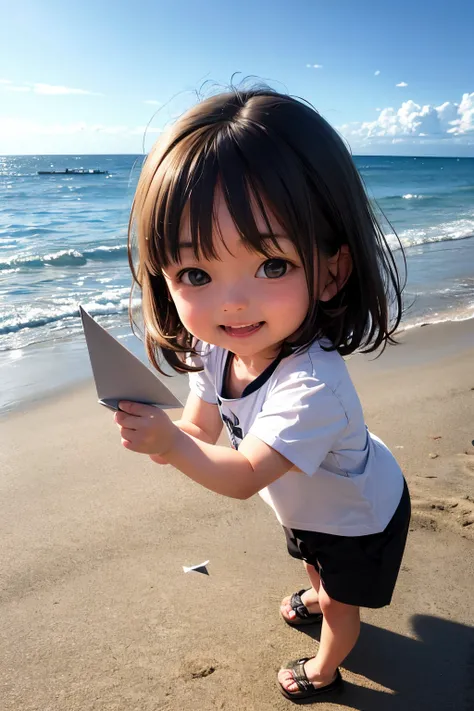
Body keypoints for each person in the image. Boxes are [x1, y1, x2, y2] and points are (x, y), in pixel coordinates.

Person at [113, 86, 411, 703]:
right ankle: (317, 585)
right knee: (309, 555)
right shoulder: (217, 349)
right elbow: (200, 435)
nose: (233, 302)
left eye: (271, 265)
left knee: (340, 602)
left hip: (358, 516)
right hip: (307, 505)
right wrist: (164, 437)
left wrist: (171, 444)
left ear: (332, 269)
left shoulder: (313, 386)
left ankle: (326, 670)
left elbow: (245, 474)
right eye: (196, 274)